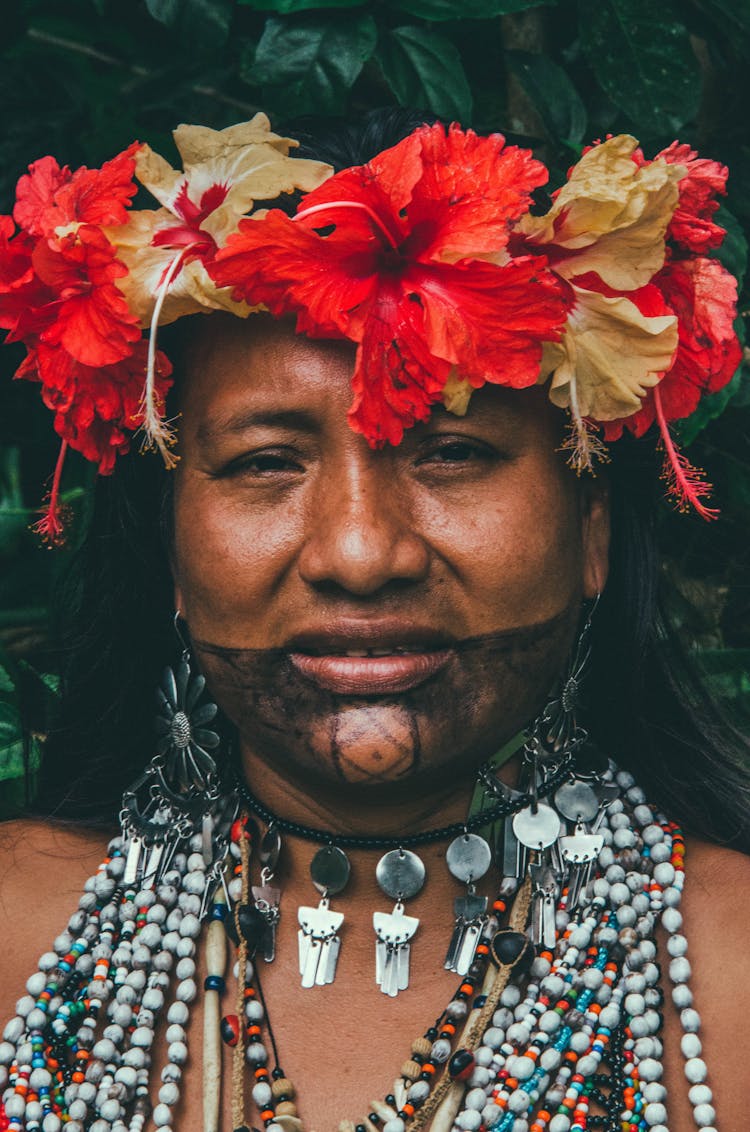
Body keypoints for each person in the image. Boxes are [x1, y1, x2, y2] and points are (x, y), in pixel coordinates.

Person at [0, 109, 748, 1132]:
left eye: (451, 452)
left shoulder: (729, 972)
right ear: (170, 552)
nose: (361, 554)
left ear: (592, 533)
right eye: (267, 461)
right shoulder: (17, 930)